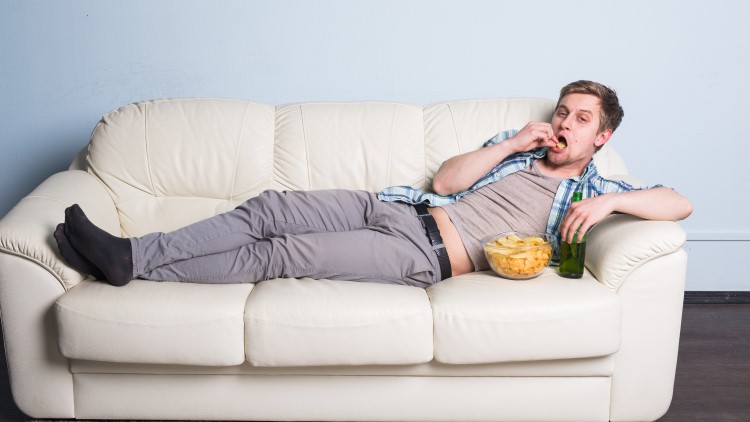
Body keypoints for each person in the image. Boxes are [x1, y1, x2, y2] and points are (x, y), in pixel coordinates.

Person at [55, 80, 693, 288]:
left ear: (601, 136)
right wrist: (514, 142)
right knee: (268, 207)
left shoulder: (590, 191)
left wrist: (610, 197)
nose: (565, 123)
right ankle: (130, 253)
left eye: (581, 119)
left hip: (425, 252)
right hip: (398, 207)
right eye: (562, 111)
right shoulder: (517, 150)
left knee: (277, 255)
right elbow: (446, 180)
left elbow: (679, 202)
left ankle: (131, 266)